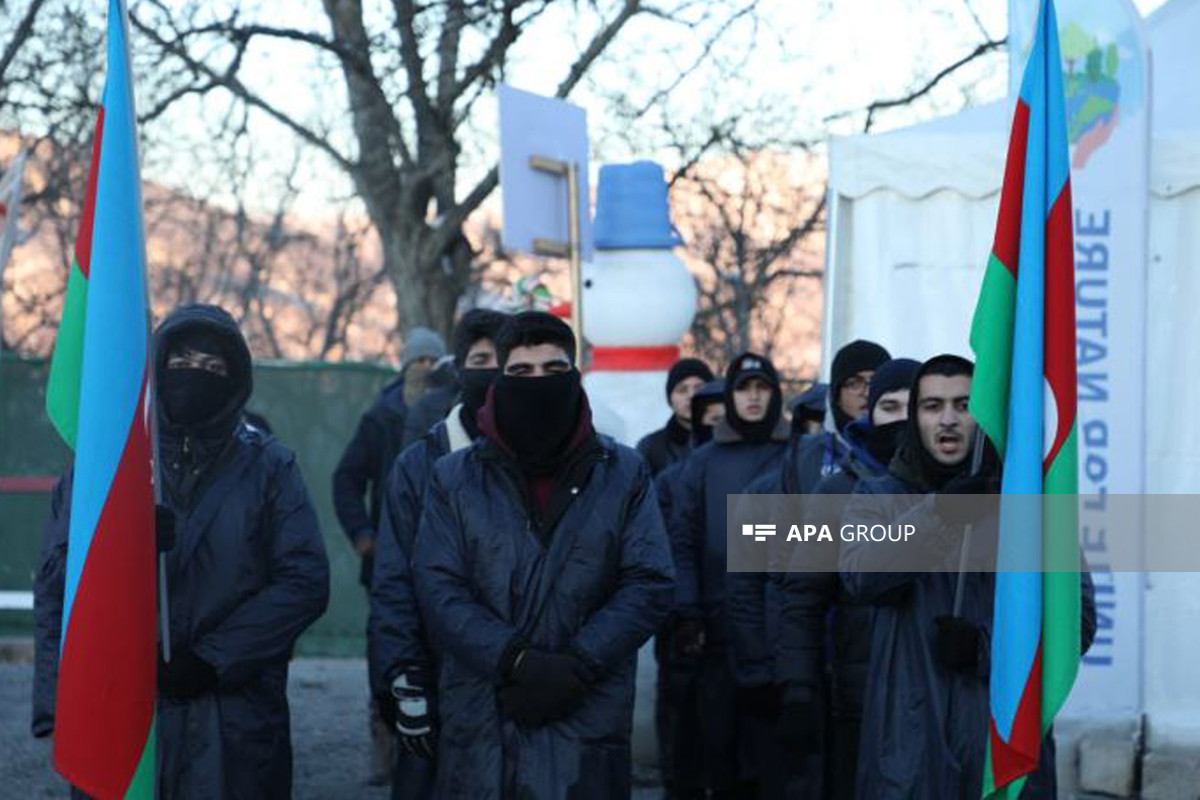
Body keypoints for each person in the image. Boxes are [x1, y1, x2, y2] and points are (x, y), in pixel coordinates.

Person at [33, 304, 330, 798]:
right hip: (124, 721)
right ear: (158, 363)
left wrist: (213, 659)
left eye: (214, 367)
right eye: (184, 361)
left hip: (233, 726)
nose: (197, 375)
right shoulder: (108, 463)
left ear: (237, 380)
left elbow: (304, 581)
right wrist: (124, 546)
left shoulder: (271, 467)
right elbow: (57, 585)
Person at [410, 311, 676, 799]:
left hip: (586, 716)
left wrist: (579, 663)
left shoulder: (623, 472)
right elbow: (438, 586)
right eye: (521, 372)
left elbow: (649, 580)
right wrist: (516, 660)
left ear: (575, 377)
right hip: (485, 721)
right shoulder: (452, 479)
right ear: (500, 380)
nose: (538, 384)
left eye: (554, 371)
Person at [839, 355, 1095, 800]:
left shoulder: (1030, 503)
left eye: (964, 405)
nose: (949, 419)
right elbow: (861, 574)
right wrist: (941, 515)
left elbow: (1077, 622)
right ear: (915, 416)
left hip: (1006, 748)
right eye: (933, 406)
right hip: (911, 752)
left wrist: (984, 647)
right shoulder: (876, 497)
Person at [368, 308, 508, 799]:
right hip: (449, 679)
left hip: (750, 666)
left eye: (763, 389)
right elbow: (752, 573)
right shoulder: (422, 464)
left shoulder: (762, 482)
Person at [772, 357, 920, 800]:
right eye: (889, 407)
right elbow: (802, 595)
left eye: (915, 407)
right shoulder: (836, 492)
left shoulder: (957, 490)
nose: (902, 420)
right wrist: (797, 684)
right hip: (860, 697)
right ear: (869, 415)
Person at [670, 353, 790, 797]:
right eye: (744, 388)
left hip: (782, 632)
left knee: (777, 759)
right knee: (719, 751)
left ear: (775, 393)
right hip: (717, 633)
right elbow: (683, 539)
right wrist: (688, 611)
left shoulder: (799, 454)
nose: (754, 397)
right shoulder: (703, 462)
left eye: (762, 387)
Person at [332, 324, 446, 783]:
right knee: (387, 652)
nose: (422, 368)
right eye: (416, 360)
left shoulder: (453, 412)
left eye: (429, 361)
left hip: (440, 556)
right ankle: (386, 741)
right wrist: (363, 534)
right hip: (386, 561)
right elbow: (346, 479)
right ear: (404, 365)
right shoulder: (380, 416)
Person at [652, 377, 724, 800]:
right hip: (683, 623)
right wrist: (683, 611)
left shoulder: (768, 472)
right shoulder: (672, 478)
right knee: (683, 726)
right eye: (710, 421)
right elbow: (667, 550)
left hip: (734, 622)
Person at [790, 340, 891, 493]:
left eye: (875, 382)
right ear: (836, 395)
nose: (866, 392)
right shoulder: (804, 456)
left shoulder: (908, 454)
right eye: (854, 383)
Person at [637, 358, 715, 477]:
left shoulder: (733, 442)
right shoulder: (651, 448)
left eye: (699, 388)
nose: (691, 396)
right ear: (670, 399)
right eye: (682, 390)